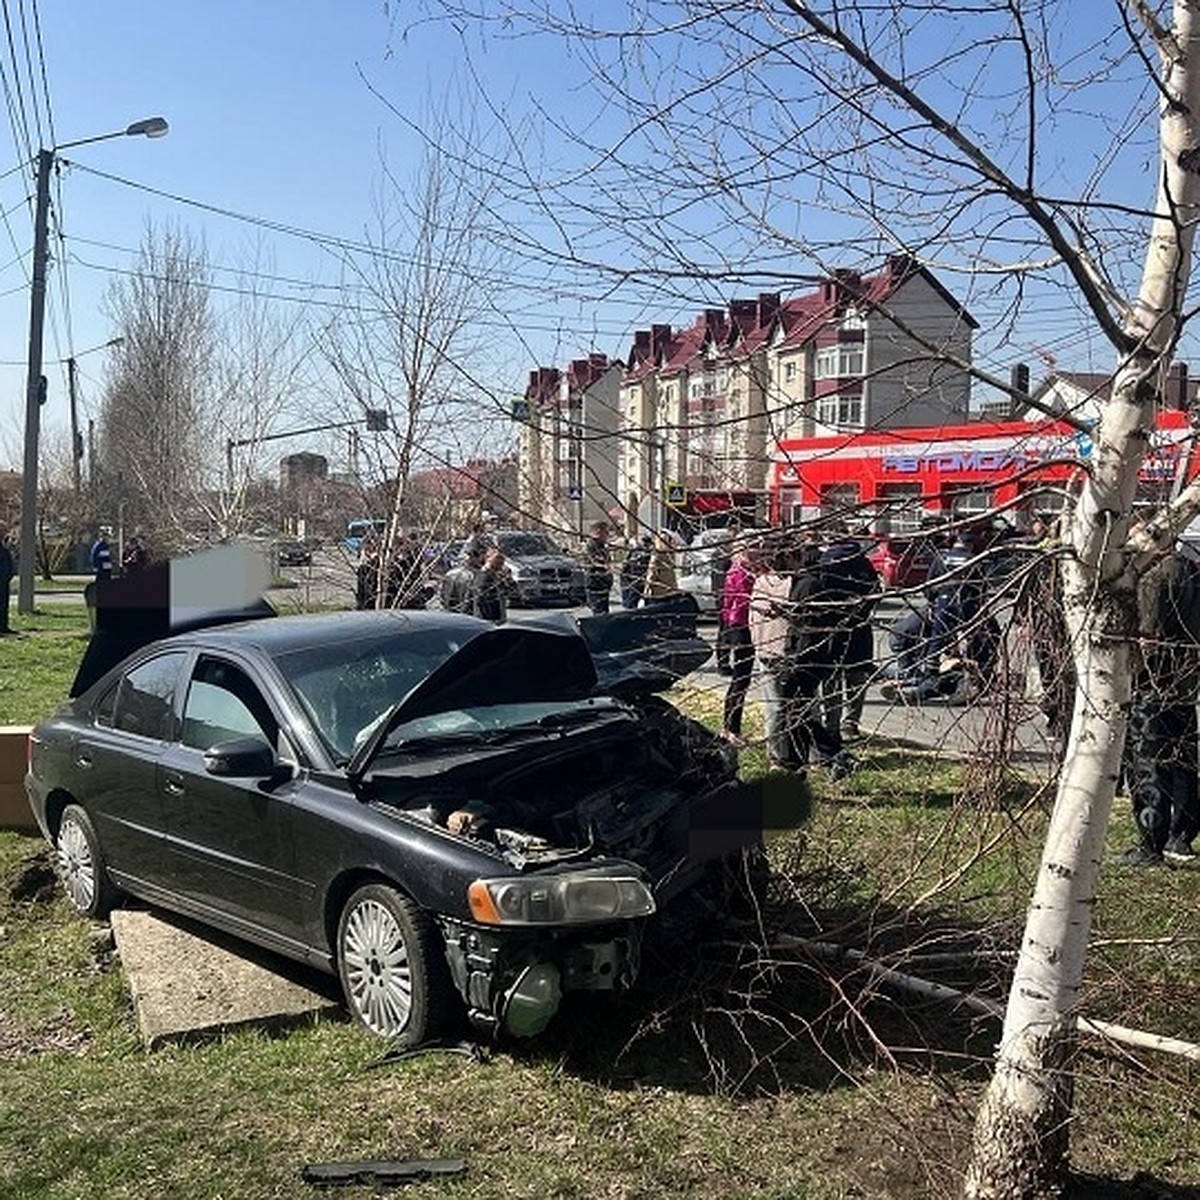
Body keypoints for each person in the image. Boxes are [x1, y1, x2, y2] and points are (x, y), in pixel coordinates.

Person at [1114, 549, 1200, 867]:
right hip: (1186, 684)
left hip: (1155, 683)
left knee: (1149, 764)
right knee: (1184, 763)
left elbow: (1148, 636)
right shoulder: (1192, 569)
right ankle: (1182, 836)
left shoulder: (1154, 577)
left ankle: (1151, 841)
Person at [817, 525, 882, 740]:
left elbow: (818, 595)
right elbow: (876, 592)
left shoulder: (825, 562)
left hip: (832, 628)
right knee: (856, 678)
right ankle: (851, 723)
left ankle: (831, 725)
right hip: (860, 627)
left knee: (831, 680)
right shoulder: (863, 562)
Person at [749, 536, 800, 769]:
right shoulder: (772, 583)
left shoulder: (767, 582)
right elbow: (755, 616)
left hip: (784, 651)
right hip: (772, 651)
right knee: (776, 705)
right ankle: (776, 755)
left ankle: (788, 751)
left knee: (785, 705)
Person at [719, 537, 757, 746]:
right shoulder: (739, 572)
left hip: (741, 625)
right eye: (754, 548)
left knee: (743, 679)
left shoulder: (744, 570)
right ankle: (731, 728)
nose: (759, 551)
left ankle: (732, 727)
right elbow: (741, 601)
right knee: (740, 679)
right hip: (740, 627)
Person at [440, 542, 487, 614]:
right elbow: (474, 603)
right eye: (484, 556)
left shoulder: (451, 573)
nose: (485, 559)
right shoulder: (475, 576)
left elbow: (443, 597)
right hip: (466, 616)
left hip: (449, 614)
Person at [475, 547, 517, 622]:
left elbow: (513, 592)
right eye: (497, 558)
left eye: (502, 559)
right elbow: (481, 598)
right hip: (485, 618)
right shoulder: (482, 575)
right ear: (488, 558)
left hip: (498, 616)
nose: (500, 562)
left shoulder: (499, 575)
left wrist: (509, 579)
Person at [584, 521, 615, 614]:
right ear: (598, 531)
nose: (608, 535)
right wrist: (607, 566)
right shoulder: (592, 545)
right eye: (606, 532)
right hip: (596, 583)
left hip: (604, 584)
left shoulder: (602, 546)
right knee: (599, 612)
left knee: (604, 611)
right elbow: (596, 562)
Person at [641, 530, 679, 603]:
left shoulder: (663, 555)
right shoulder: (665, 555)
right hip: (664, 592)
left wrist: (645, 593)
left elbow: (651, 575)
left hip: (663, 592)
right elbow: (651, 574)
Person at [620, 535, 652, 609]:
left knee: (632, 603)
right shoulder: (636, 552)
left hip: (638, 580)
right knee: (632, 603)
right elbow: (626, 567)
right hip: (635, 581)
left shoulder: (641, 553)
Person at [0, 522, 13, 635]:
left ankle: (3, 626)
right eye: (4, 530)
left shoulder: (4, 544)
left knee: (4, 604)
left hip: (4, 581)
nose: (6, 532)